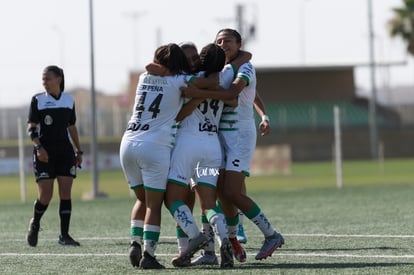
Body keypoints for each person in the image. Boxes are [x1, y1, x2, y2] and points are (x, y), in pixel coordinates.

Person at [181, 28, 284, 261]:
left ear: (239, 43)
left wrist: (197, 92)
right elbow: (239, 90)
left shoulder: (245, 67)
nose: (222, 44)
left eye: (227, 40)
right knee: (213, 192)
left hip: (239, 136)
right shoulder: (224, 69)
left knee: (231, 191)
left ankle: (271, 234)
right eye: (218, 41)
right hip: (217, 137)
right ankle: (222, 246)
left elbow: (235, 93)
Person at [120, 43, 192, 269]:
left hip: (128, 142)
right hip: (154, 147)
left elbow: (150, 67)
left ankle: (135, 242)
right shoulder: (180, 81)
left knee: (141, 200)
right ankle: (149, 255)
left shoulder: (143, 77)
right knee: (154, 204)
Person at [26, 65, 83, 247]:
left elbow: (71, 126)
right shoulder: (38, 100)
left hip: (65, 152)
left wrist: (78, 150)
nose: (45, 82)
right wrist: (39, 148)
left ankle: (64, 236)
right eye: (43, 79)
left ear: (59, 79)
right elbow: (31, 127)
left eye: (48, 78)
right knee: (46, 195)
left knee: (65, 192)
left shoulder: (68, 100)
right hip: (44, 153)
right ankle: (35, 224)